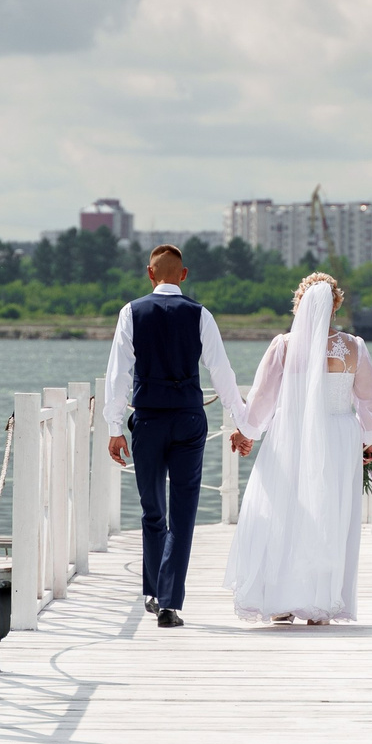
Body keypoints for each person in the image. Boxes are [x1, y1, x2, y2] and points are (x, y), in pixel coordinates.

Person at [104, 244, 254, 628]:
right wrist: (243, 422)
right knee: (183, 513)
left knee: (152, 510)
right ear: (183, 275)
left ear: (149, 273)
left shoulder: (131, 312)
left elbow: (118, 374)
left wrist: (113, 426)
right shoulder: (200, 314)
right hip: (189, 419)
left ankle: (154, 593)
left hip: (149, 421)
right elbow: (222, 373)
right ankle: (169, 603)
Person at [223, 273, 372, 625]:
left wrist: (246, 430)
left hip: (291, 436)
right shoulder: (354, 347)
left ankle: (281, 600)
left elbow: (263, 398)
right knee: (331, 515)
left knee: (285, 512)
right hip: (339, 437)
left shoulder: (284, 345)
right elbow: (368, 401)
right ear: (336, 304)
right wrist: (367, 440)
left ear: (299, 303)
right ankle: (321, 603)